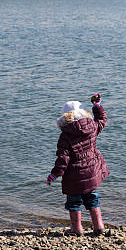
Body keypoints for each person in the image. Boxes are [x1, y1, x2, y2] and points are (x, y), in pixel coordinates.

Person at [46, 94, 109, 236]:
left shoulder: (65, 135)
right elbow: (102, 120)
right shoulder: (92, 127)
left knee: (74, 202)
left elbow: (63, 159)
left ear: (65, 117)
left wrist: (54, 174)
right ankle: (99, 226)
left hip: (73, 176)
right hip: (92, 171)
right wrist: (97, 105)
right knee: (93, 197)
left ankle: (77, 229)